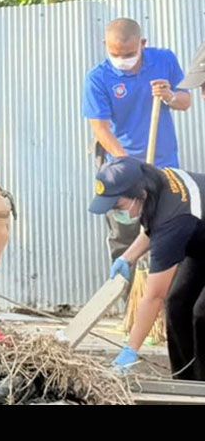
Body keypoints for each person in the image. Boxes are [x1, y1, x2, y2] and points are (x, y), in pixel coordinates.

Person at [83, 17, 191, 270]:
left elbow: (185, 102)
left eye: (130, 53)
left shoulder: (164, 61)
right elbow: (100, 128)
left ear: (143, 43)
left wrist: (170, 96)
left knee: (170, 233)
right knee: (125, 239)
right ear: (105, 45)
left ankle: (168, 305)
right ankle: (130, 302)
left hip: (165, 167)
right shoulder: (98, 78)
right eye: (115, 54)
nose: (122, 59)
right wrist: (130, 166)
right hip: (123, 170)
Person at [88, 157, 205, 380]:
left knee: (202, 313)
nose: (114, 212)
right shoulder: (155, 185)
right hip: (200, 242)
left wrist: (131, 349)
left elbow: (154, 297)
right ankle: (186, 382)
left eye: (117, 206)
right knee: (177, 304)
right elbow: (153, 227)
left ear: (139, 195)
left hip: (193, 230)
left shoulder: (173, 217)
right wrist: (127, 258)